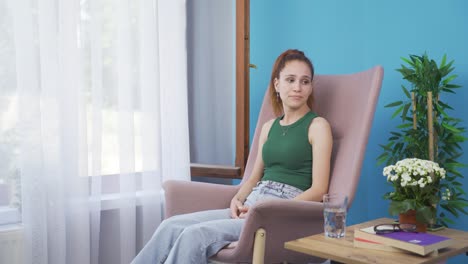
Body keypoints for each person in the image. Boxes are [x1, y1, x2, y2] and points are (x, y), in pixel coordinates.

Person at [131, 49, 333, 264]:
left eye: (305, 81)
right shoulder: (269, 127)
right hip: (253, 203)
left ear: (310, 87)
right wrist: (237, 199)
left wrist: (269, 212)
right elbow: (255, 178)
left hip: (280, 210)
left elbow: (319, 189)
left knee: (193, 235)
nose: (297, 87)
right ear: (277, 85)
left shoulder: (317, 126)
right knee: (170, 226)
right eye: (290, 80)